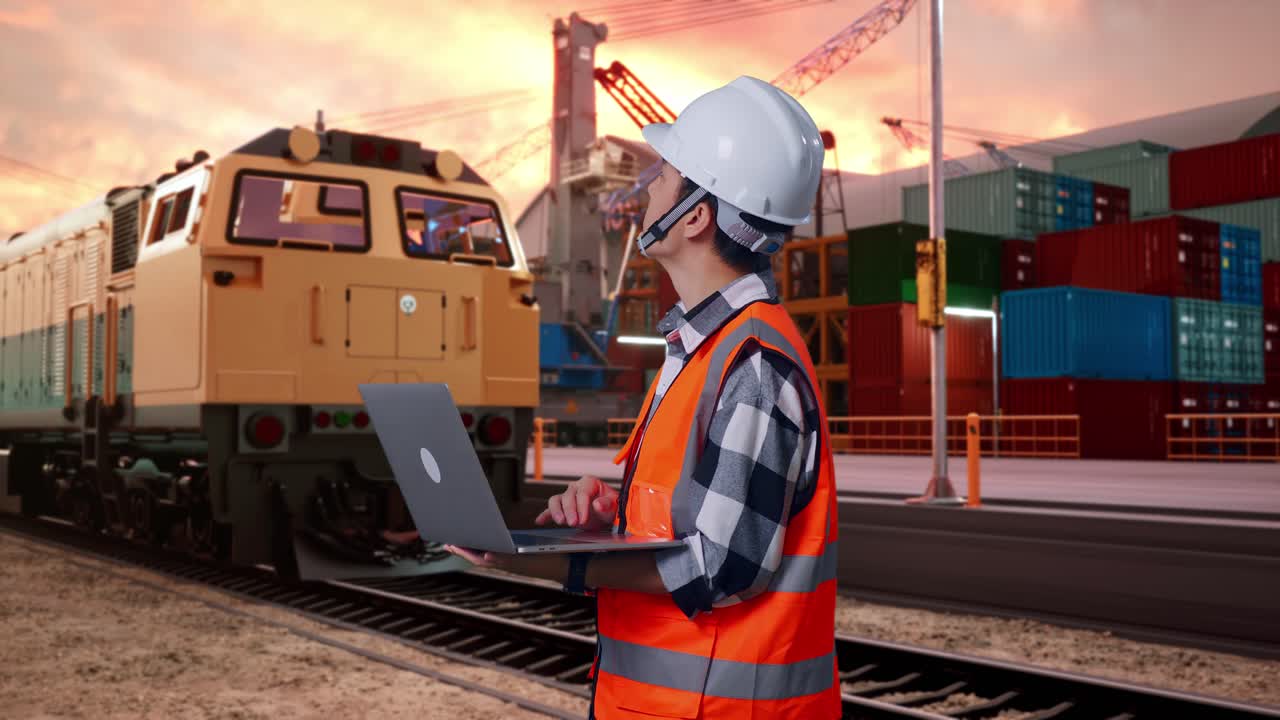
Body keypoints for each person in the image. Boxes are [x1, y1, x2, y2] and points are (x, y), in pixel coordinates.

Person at [444, 75, 840, 719]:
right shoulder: (700, 349)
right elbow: (690, 522)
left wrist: (550, 563)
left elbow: (720, 568)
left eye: (665, 170)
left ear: (697, 216)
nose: (649, 182)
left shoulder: (754, 365)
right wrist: (614, 516)